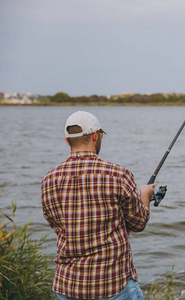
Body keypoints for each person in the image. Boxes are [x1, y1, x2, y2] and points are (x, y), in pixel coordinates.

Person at [41, 111, 155, 300]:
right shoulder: (118, 174)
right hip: (113, 285)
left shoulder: (48, 179)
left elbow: (57, 225)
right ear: (95, 135)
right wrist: (145, 194)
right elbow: (138, 223)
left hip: (67, 286)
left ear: (67, 141)